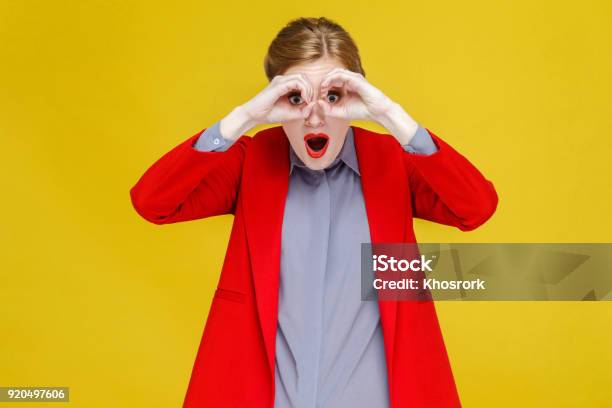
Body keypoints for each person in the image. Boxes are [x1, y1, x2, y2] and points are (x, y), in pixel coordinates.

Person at [129, 16, 498, 408]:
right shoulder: (250, 163)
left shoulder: (392, 163)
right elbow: (153, 203)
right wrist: (244, 118)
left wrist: (391, 115)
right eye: (296, 98)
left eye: (334, 96)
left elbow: (475, 208)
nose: (315, 116)